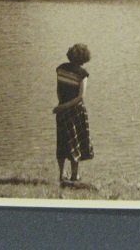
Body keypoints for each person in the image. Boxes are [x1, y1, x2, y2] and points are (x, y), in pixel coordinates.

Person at [53, 43, 94, 182]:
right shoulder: (82, 74)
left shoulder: (60, 69)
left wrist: (61, 106)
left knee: (62, 142)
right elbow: (81, 97)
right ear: (84, 58)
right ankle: (74, 175)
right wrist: (66, 106)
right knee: (74, 142)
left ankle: (61, 174)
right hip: (75, 111)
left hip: (61, 110)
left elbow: (59, 91)